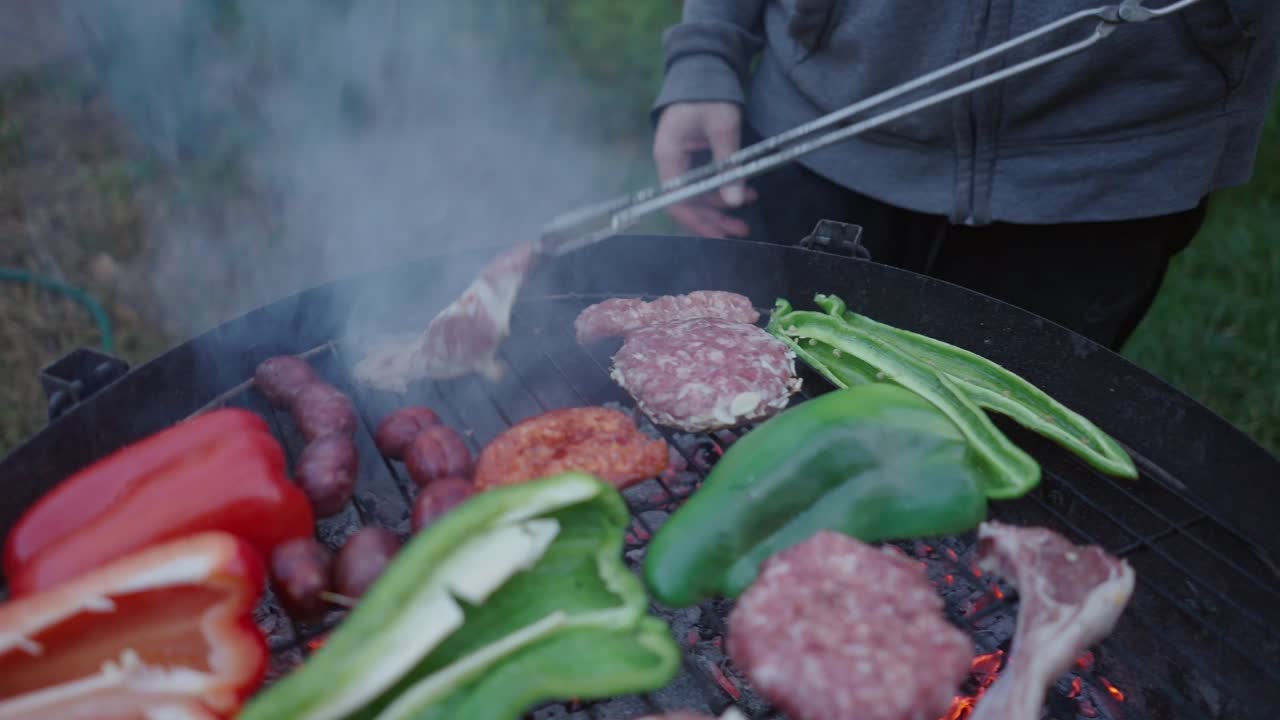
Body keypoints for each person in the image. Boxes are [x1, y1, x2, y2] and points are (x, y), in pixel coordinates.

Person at [650, 0, 1280, 351]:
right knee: (745, 399)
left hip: (1109, 162)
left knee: (1015, 473)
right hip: (823, 118)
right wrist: (708, 43)